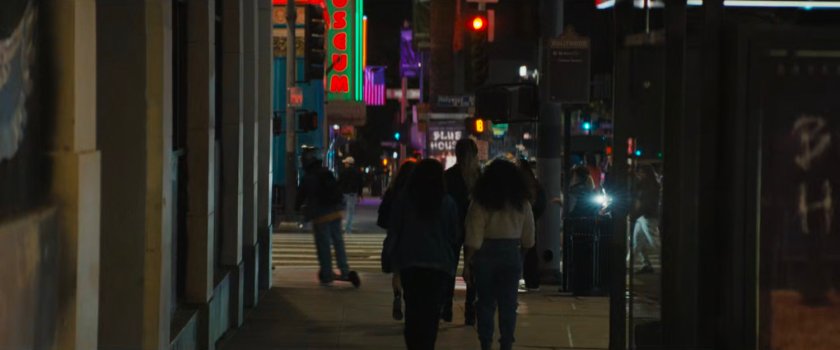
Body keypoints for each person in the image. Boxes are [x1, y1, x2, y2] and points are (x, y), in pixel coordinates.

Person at [388, 159, 460, 350]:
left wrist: (392, 259)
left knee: (413, 310)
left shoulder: (404, 200)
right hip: (438, 265)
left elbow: (395, 231)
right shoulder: (447, 203)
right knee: (431, 314)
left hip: (410, 263)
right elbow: (454, 235)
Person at [464, 159, 535, 350]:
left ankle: (485, 342)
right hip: (511, 254)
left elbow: (473, 236)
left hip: (485, 255)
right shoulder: (522, 203)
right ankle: (506, 343)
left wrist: (467, 263)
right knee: (508, 304)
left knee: (485, 303)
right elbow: (529, 238)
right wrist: (520, 257)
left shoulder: (480, 201)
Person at [295, 149, 361, 287]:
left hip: (320, 216)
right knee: (338, 242)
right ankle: (344, 271)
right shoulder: (326, 172)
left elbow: (300, 197)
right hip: (335, 212)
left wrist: (298, 210)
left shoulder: (308, 177)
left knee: (323, 246)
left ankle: (326, 273)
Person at [443, 138, 481, 324]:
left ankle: (447, 307)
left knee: (451, 268)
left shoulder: (449, 176)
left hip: (454, 227)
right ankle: (469, 311)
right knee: (471, 267)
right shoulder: (479, 177)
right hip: (472, 226)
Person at [377, 160, 417, 321]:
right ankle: (409, 300)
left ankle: (397, 295)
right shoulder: (418, 193)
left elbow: (382, 217)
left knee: (397, 272)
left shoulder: (393, 192)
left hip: (396, 238)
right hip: (414, 238)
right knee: (412, 273)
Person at [519, 159, 547, 292]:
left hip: (524, 218)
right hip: (531, 218)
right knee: (530, 249)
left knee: (527, 250)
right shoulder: (534, 183)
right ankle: (532, 280)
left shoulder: (523, 184)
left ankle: (530, 279)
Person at [629, 164, 661, 274]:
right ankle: (645, 264)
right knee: (637, 241)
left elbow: (645, 204)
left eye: (640, 172)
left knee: (654, 241)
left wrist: (635, 214)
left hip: (648, 216)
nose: (638, 174)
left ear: (646, 174)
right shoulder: (647, 185)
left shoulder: (649, 187)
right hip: (643, 216)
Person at [338, 156, 364, 234]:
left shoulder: (343, 171)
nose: (344, 164)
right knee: (350, 212)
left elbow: (339, 182)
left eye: (345, 163)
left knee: (339, 210)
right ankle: (348, 229)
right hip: (352, 193)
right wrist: (360, 194)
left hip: (343, 193)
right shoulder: (357, 172)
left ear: (348, 163)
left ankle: (339, 228)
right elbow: (360, 183)